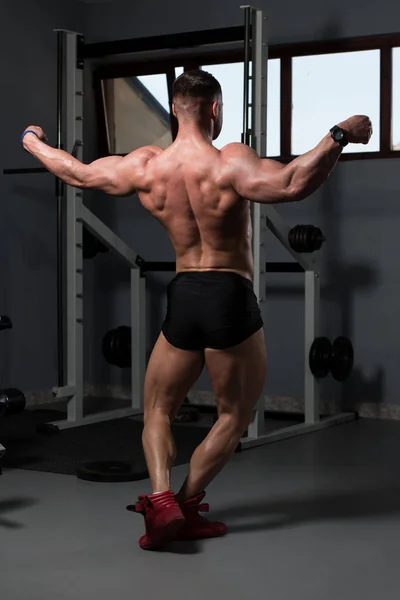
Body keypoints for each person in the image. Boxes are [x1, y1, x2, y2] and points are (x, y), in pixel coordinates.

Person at [21, 70, 372, 550]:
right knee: (233, 415)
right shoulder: (229, 161)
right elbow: (291, 184)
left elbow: (78, 173)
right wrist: (339, 134)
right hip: (229, 294)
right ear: (214, 109)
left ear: (174, 109)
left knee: (158, 409)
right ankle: (182, 507)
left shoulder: (147, 166)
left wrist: (33, 142)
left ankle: (161, 501)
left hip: (184, 294)